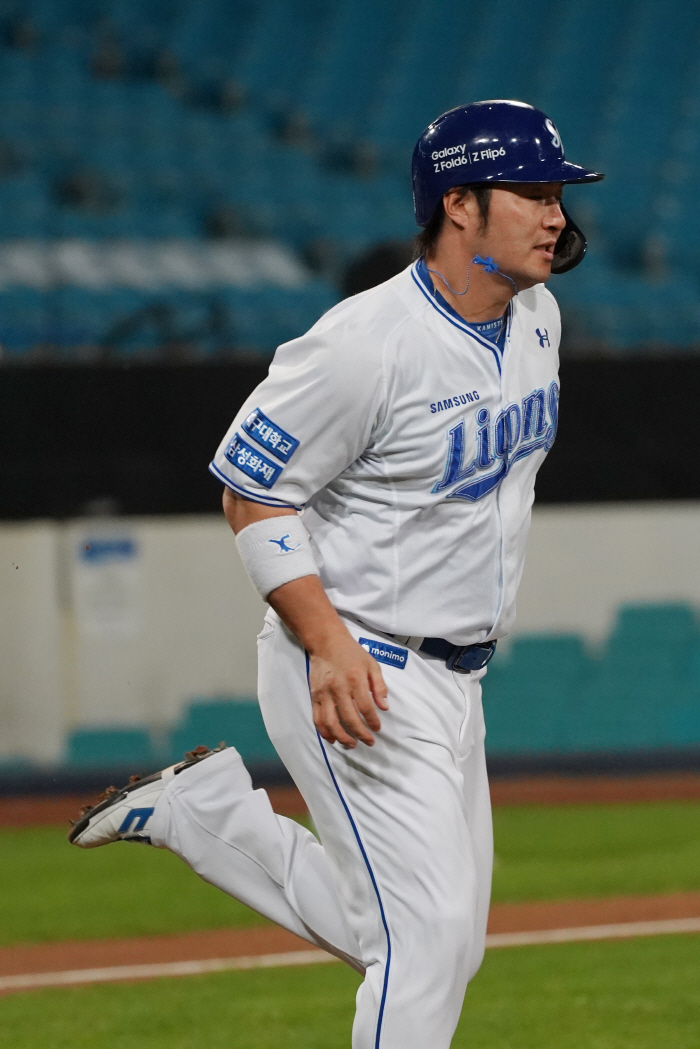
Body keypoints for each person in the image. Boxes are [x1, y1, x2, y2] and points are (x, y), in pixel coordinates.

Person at [70, 100, 603, 1049]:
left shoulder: (538, 320)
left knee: (425, 939)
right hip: (360, 664)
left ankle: (204, 817)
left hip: (459, 677)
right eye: (530, 191)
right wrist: (325, 642)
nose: (555, 212)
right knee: (425, 942)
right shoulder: (363, 344)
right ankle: (205, 817)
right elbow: (249, 490)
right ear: (460, 206)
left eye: (556, 191)